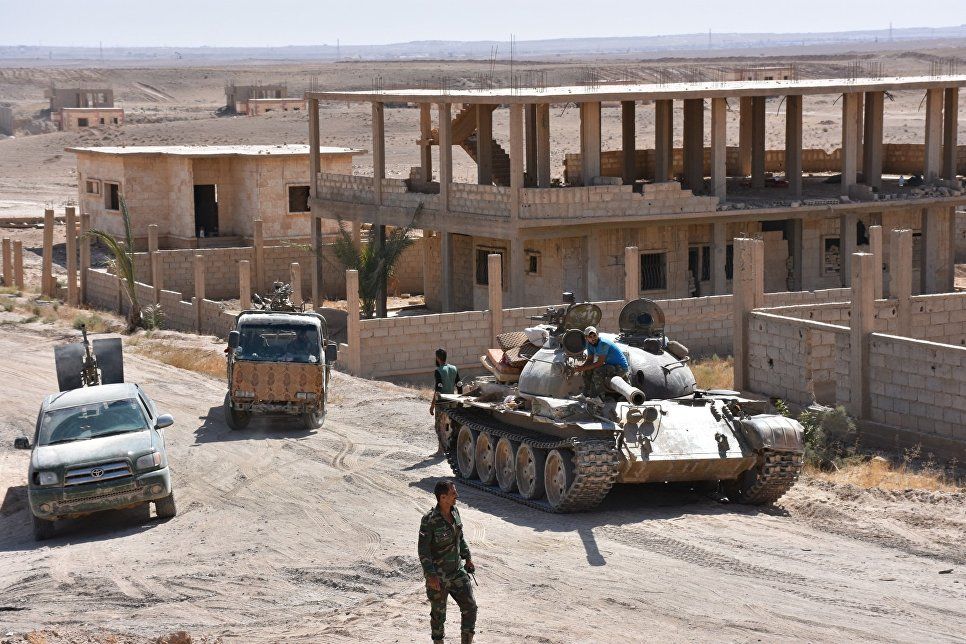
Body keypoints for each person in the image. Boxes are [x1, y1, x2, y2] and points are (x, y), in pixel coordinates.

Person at [418, 480, 477, 644]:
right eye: (453, 493)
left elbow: (460, 537)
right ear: (443, 497)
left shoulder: (455, 512)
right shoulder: (429, 520)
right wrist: (431, 575)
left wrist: (467, 557)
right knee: (438, 615)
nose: (456, 495)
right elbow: (423, 551)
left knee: (470, 607)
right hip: (439, 576)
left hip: (457, 571)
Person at [573, 325, 629, 399]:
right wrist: (582, 367)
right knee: (587, 371)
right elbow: (590, 360)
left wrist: (582, 368)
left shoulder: (603, 344)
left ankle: (599, 398)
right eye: (590, 337)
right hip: (611, 366)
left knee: (598, 371)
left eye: (594, 335)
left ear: (597, 334)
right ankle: (586, 394)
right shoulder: (590, 345)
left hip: (621, 367)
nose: (593, 338)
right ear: (586, 338)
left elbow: (600, 363)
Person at [429, 348, 462, 454]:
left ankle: (441, 450)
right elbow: (459, 385)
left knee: (440, 426)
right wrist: (460, 401)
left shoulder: (438, 371)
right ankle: (451, 448)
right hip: (452, 401)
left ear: (438, 358)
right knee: (451, 425)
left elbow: (438, 389)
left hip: (441, 403)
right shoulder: (454, 368)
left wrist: (432, 405)